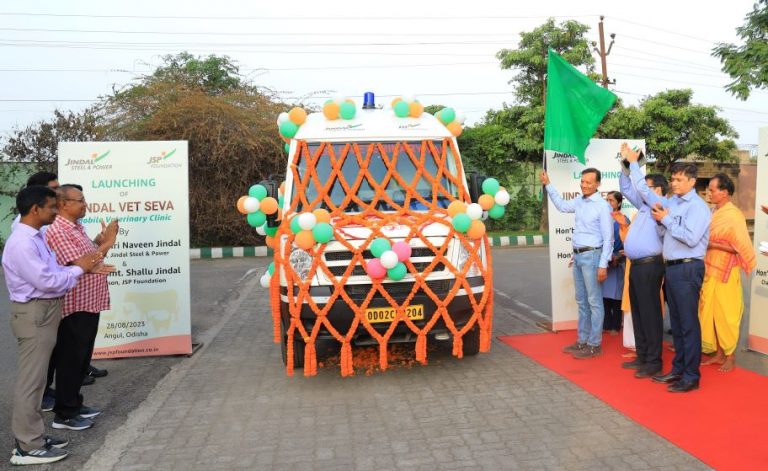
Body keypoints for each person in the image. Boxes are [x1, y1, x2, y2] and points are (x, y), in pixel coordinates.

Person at [3, 186, 108, 465]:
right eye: (51, 207)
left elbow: (54, 272)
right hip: (34, 313)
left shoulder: (35, 238)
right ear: (35, 209)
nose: (55, 210)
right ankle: (27, 447)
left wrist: (79, 267)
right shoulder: (22, 243)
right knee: (32, 383)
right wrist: (81, 268)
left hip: (45, 311)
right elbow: (48, 281)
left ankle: (33, 436)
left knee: (37, 383)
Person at [626, 154, 710, 392]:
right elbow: (647, 194)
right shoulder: (671, 202)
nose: (674, 183)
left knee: (688, 324)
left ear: (692, 181)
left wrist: (667, 220)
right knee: (677, 322)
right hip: (671, 268)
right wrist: (632, 165)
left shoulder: (698, 207)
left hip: (688, 267)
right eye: (673, 179)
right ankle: (678, 369)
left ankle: (691, 376)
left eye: (680, 179)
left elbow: (692, 238)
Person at [45, 185, 118, 431]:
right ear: (64, 204)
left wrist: (98, 242)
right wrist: (107, 244)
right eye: (80, 200)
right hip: (74, 305)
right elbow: (82, 264)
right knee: (70, 359)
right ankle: (64, 414)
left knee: (81, 359)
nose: (85, 204)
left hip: (89, 302)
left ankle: (74, 404)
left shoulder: (76, 228)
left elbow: (89, 257)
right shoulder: (58, 231)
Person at [540, 168, 613, 359]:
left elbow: (609, 238)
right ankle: (582, 341)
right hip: (578, 256)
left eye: (588, 182)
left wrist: (603, 264)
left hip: (593, 257)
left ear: (598, 184)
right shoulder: (580, 201)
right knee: (581, 301)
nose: (584, 184)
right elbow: (563, 206)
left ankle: (594, 344)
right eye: (582, 181)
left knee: (594, 302)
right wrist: (548, 184)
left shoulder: (602, 206)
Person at [699, 173, 756, 372]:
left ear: (724, 193)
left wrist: (713, 244)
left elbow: (739, 248)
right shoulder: (713, 212)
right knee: (711, 313)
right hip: (709, 270)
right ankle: (718, 353)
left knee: (726, 315)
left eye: (713, 190)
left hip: (726, 272)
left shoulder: (733, 215)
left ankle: (730, 356)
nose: (709, 193)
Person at [619, 153, 669, 379]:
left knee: (650, 314)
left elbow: (640, 190)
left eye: (647, 187)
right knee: (638, 312)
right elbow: (627, 189)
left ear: (657, 190)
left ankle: (654, 361)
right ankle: (642, 355)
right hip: (637, 266)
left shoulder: (660, 204)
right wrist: (625, 167)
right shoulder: (643, 206)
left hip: (651, 265)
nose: (642, 191)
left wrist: (634, 164)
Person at [602, 191, 629, 335]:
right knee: (604, 295)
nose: (609, 203)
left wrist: (618, 256)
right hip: (604, 263)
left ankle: (616, 325)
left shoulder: (624, 220)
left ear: (619, 203)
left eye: (611, 200)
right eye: (607, 200)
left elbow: (629, 241)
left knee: (616, 295)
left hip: (618, 263)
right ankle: (606, 324)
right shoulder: (602, 218)